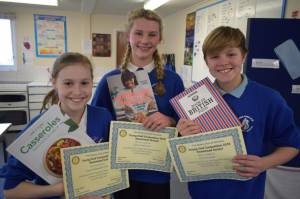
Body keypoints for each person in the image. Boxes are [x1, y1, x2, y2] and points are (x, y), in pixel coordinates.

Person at [176, 26, 300, 199]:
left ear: (244, 55)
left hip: (246, 192)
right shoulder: (192, 100)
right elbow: (185, 153)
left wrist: (264, 163)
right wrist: (182, 136)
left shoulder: (269, 99)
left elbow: (292, 145)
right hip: (202, 192)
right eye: (214, 56)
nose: (223, 62)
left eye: (231, 54)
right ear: (206, 61)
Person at [92, 8, 185, 199]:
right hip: (122, 171)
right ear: (128, 36)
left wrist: (170, 120)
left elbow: (185, 123)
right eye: (138, 33)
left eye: (152, 34)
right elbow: (96, 123)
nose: (145, 40)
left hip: (157, 171)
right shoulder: (111, 80)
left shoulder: (173, 80)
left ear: (160, 38)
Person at [0, 52, 112, 199]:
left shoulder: (103, 117)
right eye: (68, 83)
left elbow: (111, 166)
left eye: (84, 83)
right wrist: (59, 190)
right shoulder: (38, 128)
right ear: (54, 83)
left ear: (92, 82)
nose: (77, 91)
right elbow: (11, 191)